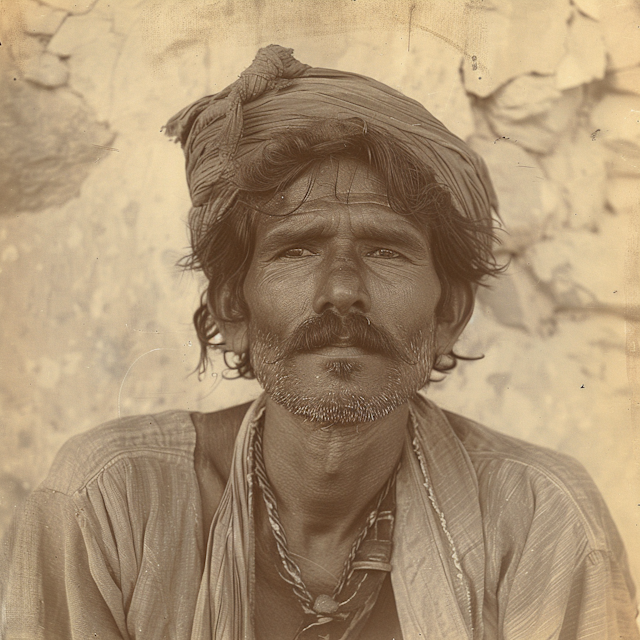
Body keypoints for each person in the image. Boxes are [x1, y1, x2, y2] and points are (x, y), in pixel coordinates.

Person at [1, 44, 638, 640]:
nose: (341, 290)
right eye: (296, 248)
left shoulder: (540, 520)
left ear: (449, 310)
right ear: (232, 307)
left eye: (385, 249)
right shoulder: (110, 502)